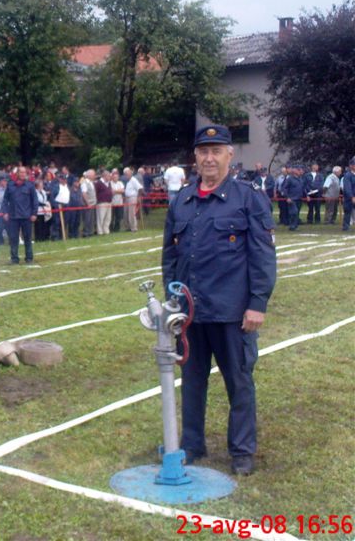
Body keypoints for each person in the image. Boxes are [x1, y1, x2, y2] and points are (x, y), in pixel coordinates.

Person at [162, 125, 276, 476]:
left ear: (230, 154)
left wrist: (257, 302)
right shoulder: (181, 200)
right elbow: (170, 256)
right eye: (203, 151)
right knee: (192, 383)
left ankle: (241, 451)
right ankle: (192, 444)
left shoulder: (248, 197)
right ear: (195, 157)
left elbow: (262, 255)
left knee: (239, 382)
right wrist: (172, 301)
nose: (209, 157)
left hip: (232, 312)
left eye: (216, 150)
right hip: (191, 313)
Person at [1, 165, 38, 264]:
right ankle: (14, 259)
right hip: (13, 217)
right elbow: (5, 200)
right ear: (17, 173)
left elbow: (35, 200)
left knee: (27, 239)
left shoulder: (30, 185)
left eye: (24, 172)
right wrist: (4, 212)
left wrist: (34, 213)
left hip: (27, 216)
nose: (22, 174)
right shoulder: (10, 185)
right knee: (13, 239)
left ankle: (29, 258)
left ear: (26, 174)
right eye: (20, 172)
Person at [283, 164, 304, 231]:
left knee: (297, 213)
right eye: (299, 170)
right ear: (295, 171)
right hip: (292, 199)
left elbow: (302, 188)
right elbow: (285, 188)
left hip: (299, 199)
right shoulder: (290, 179)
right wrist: (287, 197)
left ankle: (295, 226)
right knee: (293, 212)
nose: (301, 171)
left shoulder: (300, 179)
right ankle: (292, 226)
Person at [49, 173, 70, 240]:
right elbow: (52, 197)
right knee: (56, 222)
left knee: (65, 222)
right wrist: (56, 206)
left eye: (65, 179)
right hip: (58, 206)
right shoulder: (56, 187)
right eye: (62, 179)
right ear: (60, 179)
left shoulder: (67, 187)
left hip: (66, 206)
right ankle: (55, 237)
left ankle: (62, 236)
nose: (64, 180)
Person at [123, 167, 143, 232]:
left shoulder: (133, 180)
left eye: (127, 174)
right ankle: (128, 227)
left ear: (130, 173)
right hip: (127, 198)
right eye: (125, 174)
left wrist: (138, 197)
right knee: (126, 213)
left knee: (131, 214)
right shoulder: (128, 181)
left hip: (132, 198)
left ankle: (134, 228)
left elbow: (140, 188)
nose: (126, 175)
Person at [94, 169, 113, 235]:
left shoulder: (109, 183)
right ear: (104, 176)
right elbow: (95, 193)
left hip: (109, 202)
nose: (110, 177)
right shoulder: (98, 183)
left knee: (108, 218)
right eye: (109, 176)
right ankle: (100, 231)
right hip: (101, 203)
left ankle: (106, 230)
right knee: (101, 218)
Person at [80, 169, 97, 237]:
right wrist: (88, 203)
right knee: (87, 219)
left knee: (91, 219)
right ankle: (85, 233)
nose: (94, 176)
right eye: (93, 175)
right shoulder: (84, 183)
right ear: (89, 175)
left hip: (93, 203)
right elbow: (84, 194)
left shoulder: (91, 182)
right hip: (88, 204)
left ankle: (90, 232)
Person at [343, 157, 355, 232]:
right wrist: (351, 196)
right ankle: (346, 226)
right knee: (348, 212)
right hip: (349, 197)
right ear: (351, 166)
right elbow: (347, 187)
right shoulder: (348, 175)